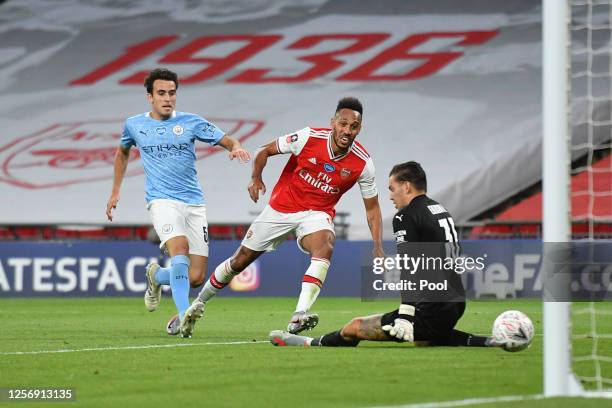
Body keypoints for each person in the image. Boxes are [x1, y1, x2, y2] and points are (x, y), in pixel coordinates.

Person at [180, 97, 384, 338]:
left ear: (359, 129)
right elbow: (263, 150)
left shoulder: (363, 163)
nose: (347, 131)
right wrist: (256, 178)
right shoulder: (308, 137)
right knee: (240, 261)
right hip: (281, 208)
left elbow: (372, 208)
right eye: (343, 124)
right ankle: (198, 304)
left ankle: (299, 315)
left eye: (353, 127)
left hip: (316, 214)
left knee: (325, 245)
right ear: (333, 123)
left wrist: (377, 246)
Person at [269, 161, 505, 349]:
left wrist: (406, 313)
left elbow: (410, 267)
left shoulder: (406, 216)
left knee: (353, 327)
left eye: (391, 189)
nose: (390, 196)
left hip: (429, 306)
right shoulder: (438, 208)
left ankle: (308, 342)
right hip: (455, 302)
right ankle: (490, 341)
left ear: (406, 186)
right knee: (429, 336)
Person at [105, 68, 250, 337]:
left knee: (195, 277)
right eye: (161, 93)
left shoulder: (191, 122)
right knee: (179, 249)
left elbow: (228, 140)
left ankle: (157, 276)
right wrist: (115, 191)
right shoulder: (134, 125)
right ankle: (185, 317)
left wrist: (237, 148)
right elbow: (122, 153)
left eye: (172, 93)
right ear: (150, 97)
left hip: (194, 203)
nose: (168, 98)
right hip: (161, 201)